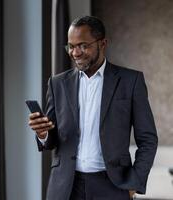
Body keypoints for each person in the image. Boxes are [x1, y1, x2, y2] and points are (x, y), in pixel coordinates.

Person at [28, 16, 158, 200]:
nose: (75, 53)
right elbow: (53, 141)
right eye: (71, 46)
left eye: (82, 45)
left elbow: (148, 139)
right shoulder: (57, 83)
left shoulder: (130, 81)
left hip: (112, 186)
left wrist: (134, 182)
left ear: (102, 43)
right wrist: (43, 134)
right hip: (65, 187)